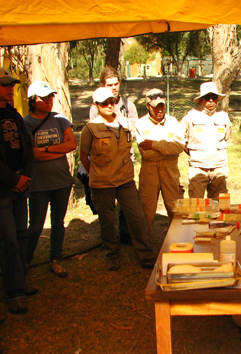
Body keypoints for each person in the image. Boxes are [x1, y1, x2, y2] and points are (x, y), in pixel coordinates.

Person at [79, 87, 155, 271]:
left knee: (137, 217)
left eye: (111, 101)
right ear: (95, 105)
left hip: (125, 180)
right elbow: (83, 156)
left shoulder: (125, 123)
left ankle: (146, 255)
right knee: (108, 221)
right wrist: (95, 174)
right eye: (104, 103)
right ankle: (112, 255)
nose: (109, 105)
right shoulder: (90, 128)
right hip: (102, 183)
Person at [24, 81, 77, 278]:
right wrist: (56, 149)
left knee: (58, 223)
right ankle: (25, 261)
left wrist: (45, 150)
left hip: (61, 181)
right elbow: (31, 154)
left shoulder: (60, 118)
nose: (48, 101)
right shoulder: (26, 123)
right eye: (43, 98)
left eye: (50, 97)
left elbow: (71, 144)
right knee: (36, 226)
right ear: (33, 101)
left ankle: (56, 259)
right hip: (39, 184)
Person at [80, 66, 138, 243]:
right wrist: (94, 173)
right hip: (104, 167)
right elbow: (90, 142)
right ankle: (111, 246)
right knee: (107, 212)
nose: (113, 87)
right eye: (109, 84)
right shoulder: (96, 107)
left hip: (125, 162)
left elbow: (134, 131)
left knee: (130, 208)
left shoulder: (128, 106)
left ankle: (126, 234)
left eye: (116, 84)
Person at [0, 68, 36, 314]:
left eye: (11, 86)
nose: (10, 90)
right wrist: (13, 179)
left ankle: (19, 283)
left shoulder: (14, 114)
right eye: (4, 86)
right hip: (3, 188)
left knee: (21, 235)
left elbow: (28, 148)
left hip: (20, 185)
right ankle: (13, 293)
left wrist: (26, 177)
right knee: (9, 240)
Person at [136, 88, 185, 235]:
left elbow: (179, 146)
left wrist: (154, 144)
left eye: (162, 105)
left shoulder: (173, 122)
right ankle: (145, 247)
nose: (160, 109)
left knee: (175, 207)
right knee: (147, 209)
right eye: (156, 106)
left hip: (170, 170)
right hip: (149, 170)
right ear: (148, 106)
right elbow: (147, 155)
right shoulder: (141, 124)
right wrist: (167, 150)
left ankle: (177, 241)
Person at [180, 82, 232, 200]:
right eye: (207, 98)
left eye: (214, 98)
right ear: (201, 100)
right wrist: (188, 148)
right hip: (198, 167)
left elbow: (227, 137)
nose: (211, 101)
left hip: (219, 167)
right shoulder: (191, 116)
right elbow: (180, 136)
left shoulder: (223, 116)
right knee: (196, 204)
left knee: (220, 205)